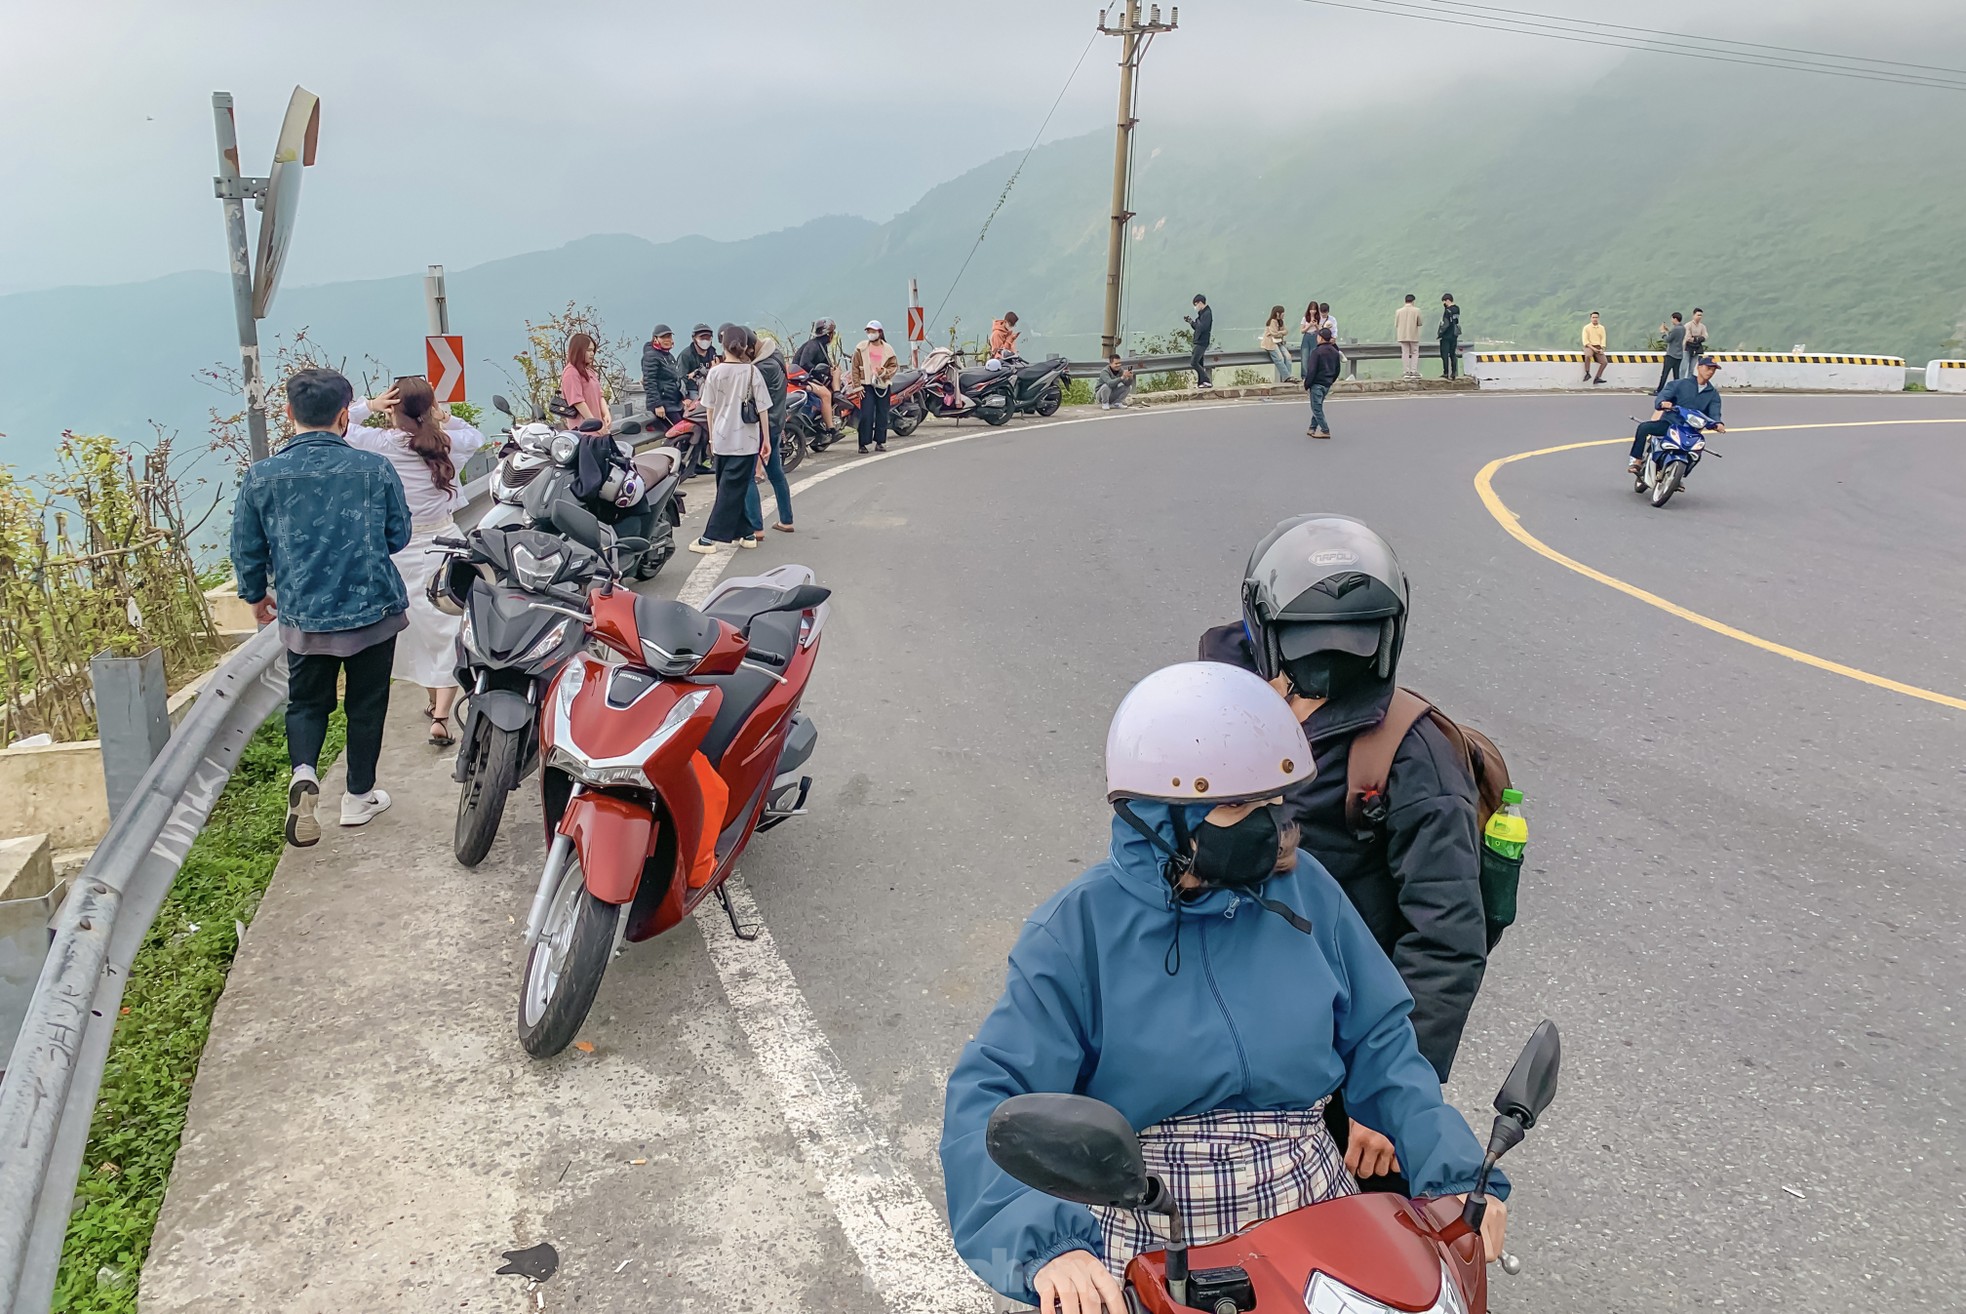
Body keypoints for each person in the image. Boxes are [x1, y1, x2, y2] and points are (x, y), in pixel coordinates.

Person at [940, 661, 1509, 1311]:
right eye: (1240, 805)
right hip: (1151, 1227)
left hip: (1311, 1205)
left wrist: (1457, 1174)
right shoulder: (1077, 933)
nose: (1270, 824)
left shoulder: (1304, 893)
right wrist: (1046, 1246)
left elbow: (1382, 1042)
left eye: (1273, 801)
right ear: (1162, 814)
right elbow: (991, 1095)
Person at [1198, 515, 1490, 1195]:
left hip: (1342, 1053)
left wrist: (1382, 1101)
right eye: (1305, 649)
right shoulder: (1215, 707)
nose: (1327, 668)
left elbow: (1445, 941)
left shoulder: (1414, 758)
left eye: (1353, 646)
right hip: (1217, 1033)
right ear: (1263, 634)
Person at [231, 368, 410, 847]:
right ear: (343, 416)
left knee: (307, 702)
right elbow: (399, 535)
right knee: (366, 705)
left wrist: (255, 596)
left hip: (304, 613)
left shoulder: (261, 476)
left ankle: (304, 772)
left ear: (288, 414)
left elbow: (246, 547)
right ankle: (357, 798)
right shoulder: (374, 469)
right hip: (373, 610)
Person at [344, 379, 484, 748]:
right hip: (444, 544)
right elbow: (477, 436)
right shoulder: (447, 443)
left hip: (398, 549)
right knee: (446, 627)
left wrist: (369, 406)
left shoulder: (381, 444)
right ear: (430, 406)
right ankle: (441, 715)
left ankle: (431, 700)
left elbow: (340, 426)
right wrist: (441, 416)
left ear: (393, 408)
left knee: (414, 628)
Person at [689, 324, 773, 553]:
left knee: (727, 490)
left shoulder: (715, 373)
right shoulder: (752, 372)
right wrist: (766, 440)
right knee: (732, 489)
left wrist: (711, 439)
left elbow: (709, 408)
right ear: (746, 346)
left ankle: (708, 538)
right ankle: (746, 532)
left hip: (722, 438)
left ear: (723, 345)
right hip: (747, 440)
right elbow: (763, 408)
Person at [1629, 355, 1726, 474]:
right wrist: (1663, 403)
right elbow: (1664, 395)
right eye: (1708, 368)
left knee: (1697, 452)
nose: (1710, 372)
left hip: (1691, 432)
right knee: (1643, 428)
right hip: (1670, 424)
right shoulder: (1680, 384)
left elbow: (1714, 413)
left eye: (1713, 370)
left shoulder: (1713, 394)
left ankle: (1677, 475)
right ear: (1699, 367)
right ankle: (1636, 460)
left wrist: (1718, 424)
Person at [747, 332, 795, 535]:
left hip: (762, 427)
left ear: (750, 348)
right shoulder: (774, 355)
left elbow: (755, 401)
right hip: (776, 424)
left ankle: (756, 528)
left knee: (747, 477)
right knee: (776, 473)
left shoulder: (762, 368)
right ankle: (786, 520)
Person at [847, 319, 900, 453]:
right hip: (866, 385)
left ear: (879, 332)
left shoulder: (888, 349)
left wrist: (884, 372)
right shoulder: (861, 348)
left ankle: (880, 442)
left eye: (873, 331)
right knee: (866, 414)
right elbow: (855, 368)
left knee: (882, 414)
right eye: (869, 331)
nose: (871, 334)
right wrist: (857, 386)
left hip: (882, 385)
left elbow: (894, 366)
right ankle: (863, 444)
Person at [794, 319, 839, 433]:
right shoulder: (813, 346)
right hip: (802, 381)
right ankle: (830, 428)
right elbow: (805, 364)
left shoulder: (820, 345)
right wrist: (818, 373)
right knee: (826, 395)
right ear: (829, 334)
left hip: (806, 379)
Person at [560, 332, 612, 429]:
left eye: (593, 350)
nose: (592, 354)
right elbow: (577, 401)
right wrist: (594, 424)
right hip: (584, 430)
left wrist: (606, 413)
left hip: (598, 426)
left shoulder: (589, 371)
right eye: (588, 350)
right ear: (579, 351)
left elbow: (600, 395)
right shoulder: (571, 372)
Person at [640, 324, 687, 425]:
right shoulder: (651, 356)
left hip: (675, 403)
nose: (667, 340)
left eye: (669, 336)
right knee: (680, 433)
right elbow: (649, 381)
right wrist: (657, 405)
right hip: (664, 406)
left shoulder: (668, 356)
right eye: (663, 337)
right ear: (655, 339)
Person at [1304, 327, 1342, 439]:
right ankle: (1312, 428)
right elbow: (1337, 369)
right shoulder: (1335, 352)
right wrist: (1331, 380)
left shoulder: (1317, 352)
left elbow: (1311, 370)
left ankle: (1325, 430)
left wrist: (1307, 384)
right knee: (1318, 406)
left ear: (1320, 338)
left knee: (1316, 408)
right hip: (1327, 383)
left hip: (1317, 384)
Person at [679, 323, 721, 394]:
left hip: (711, 387)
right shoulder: (685, 355)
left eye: (707, 338)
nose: (705, 341)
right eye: (702, 338)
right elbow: (682, 378)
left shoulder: (712, 352)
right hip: (692, 390)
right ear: (694, 338)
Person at [1184, 294, 1213, 388]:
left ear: (1200, 303)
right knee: (1200, 362)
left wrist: (1195, 323)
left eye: (1196, 304)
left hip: (1202, 342)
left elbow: (1201, 327)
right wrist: (1190, 322)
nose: (1195, 307)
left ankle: (1206, 380)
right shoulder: (1202, 314)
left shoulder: (1207, 313)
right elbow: (1197, 327)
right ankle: (1201, 382)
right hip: (1199, 341)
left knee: (1194, 362)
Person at [1394, 294, 1424, 381]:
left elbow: (1396, 323)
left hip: (1402, 335)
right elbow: (1420, 323)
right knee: (1414, 352)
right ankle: (1413, 371)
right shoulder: (1417, 310)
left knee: (1405, 353)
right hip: (1413, 334)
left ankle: (1406, 372)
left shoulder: (1398, 311)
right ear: (1413, 301)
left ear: (1405, 301)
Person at [1260, 305, 1293, 382]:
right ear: (1277, 313)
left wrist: (1279, 332)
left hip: (1279, 342)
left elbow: (1286, 331)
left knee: (1288, 357)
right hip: (1271, 343)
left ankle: (1288, 376)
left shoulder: (1281, 321)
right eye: (1282, 313)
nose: (1283, 314)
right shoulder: (1272, 321)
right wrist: (1281, 333)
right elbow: (1274, 333)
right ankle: (1287, 377)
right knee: (1280, 358)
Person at [1657, 312, 1687, 391]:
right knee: (1676, 375)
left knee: (1665, 374)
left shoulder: (1676, 329)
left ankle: (1659, 390)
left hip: (1671, 355)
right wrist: (1668, 330)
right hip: (1679, 355)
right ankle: (1677, 391)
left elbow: (1668, 339)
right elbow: (1675, 337)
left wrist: (1663, 332)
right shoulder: (1683, 328)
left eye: (1672, 319)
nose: (1671, 320)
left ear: (1675, 319)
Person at [1437, 293, 1462, 380]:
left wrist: (1440, 333)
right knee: (1452, 354)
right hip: (1454, 335)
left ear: (1447, 300)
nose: (1444, 303)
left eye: (1444, 301)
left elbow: (1445, 324)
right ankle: (1454, 372)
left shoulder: (1447, 311)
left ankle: (1446, 372)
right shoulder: (1457, 309)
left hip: (1446, 335)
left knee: (1444, 354)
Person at [1580, 312, 1609, 385]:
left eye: (1596, 317)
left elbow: (1603, 339)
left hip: (1598, 346)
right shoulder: (1586, 328)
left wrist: (1602, 348)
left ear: (1598, 318)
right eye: (1593, 317)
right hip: (1589, 346)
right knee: (1588, 356)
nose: (1595, 319)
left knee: (1604, 362)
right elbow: (1585, 341)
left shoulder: (1601, 328)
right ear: (1591, 318)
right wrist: (1593, 348)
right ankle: (1587, 373)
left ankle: (1597, 377)